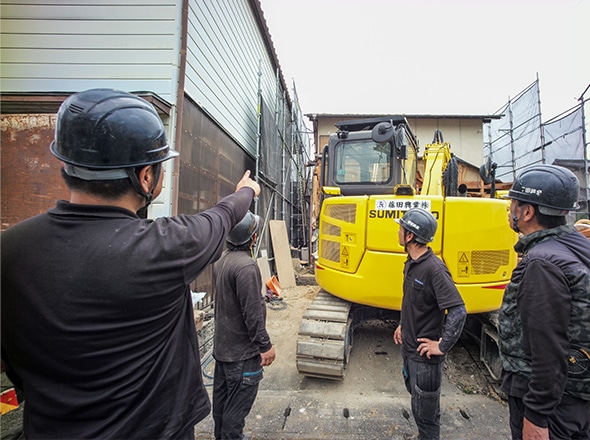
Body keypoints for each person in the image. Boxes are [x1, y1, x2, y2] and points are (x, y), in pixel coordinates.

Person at [0, 88, 260, 440]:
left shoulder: (11, 250)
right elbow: (224, 215)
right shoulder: (166, 246)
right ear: (146, 178)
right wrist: (247, 190)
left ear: (66, 165)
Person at [498, 164, 590, 440]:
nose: (509, 210)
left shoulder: (542, 263)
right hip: (576, 396)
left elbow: (547, 347)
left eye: (512, 204)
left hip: (553, 406)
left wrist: (537, 416)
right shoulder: (577, 247)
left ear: (527, 212)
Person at [393, 207, 467, 440]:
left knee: (427, 414)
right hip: (410, 350)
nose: (398, 231)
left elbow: (458, 309)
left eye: (401, 228)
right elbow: (413, 301)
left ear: (410, 236)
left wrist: (442, 346)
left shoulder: (434, 269)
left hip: (425, 359)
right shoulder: (412, 263)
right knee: (417, 402)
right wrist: (403, 324)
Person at [212, 211, 276, 440]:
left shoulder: (221, 260)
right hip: (242, 355)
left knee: (222, 408)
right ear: (254, 237)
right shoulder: (246, 267)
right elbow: (253, 313)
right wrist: (265, 345)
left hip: (223, 351)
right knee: (235, 414)